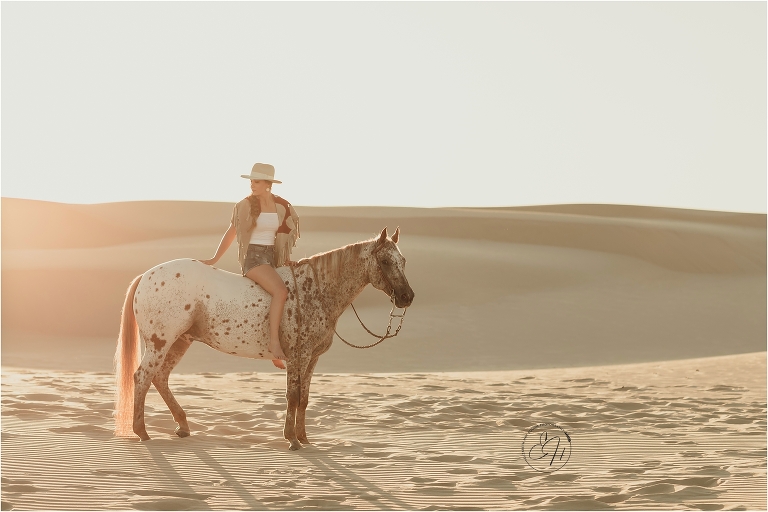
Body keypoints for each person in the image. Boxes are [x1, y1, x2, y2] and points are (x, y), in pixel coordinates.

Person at [201, 163, 300, 370]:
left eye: (256, 182)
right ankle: (273, 344)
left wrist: (286, 258)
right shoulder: (245, 205)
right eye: (251, 181)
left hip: (273, 259)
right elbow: (232, 232)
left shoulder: (283, 206)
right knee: (281, 291)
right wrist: (214, 259)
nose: (252, 185)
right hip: (254, 259)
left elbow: (284, 235)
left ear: (267, 184)